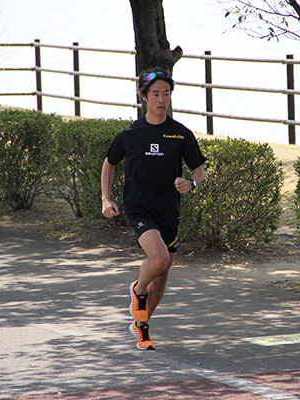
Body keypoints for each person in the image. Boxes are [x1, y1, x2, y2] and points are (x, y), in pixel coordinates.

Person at [101, 67, 206, 350]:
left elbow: (199, 170)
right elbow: (109, 162)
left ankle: (142, 325)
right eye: (156, 94)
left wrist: (191, 184)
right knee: (158, 260)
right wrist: (105, 198)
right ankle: (137, 290)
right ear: (144, 97)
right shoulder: (131, 133)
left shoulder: (180, 134)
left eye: (166, 93)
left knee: (162, 276)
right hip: (138, 207)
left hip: (168, 210)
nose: (162, 99)